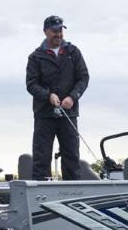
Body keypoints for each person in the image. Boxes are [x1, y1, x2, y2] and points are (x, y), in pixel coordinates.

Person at [26, 15, 89, 180]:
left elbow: (83, 78)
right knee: (41, 157)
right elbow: (31, 84)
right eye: (54, 31)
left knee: (71, 156)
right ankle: (40, 191)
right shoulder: (35, 56)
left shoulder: (73, 52)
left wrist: (73, 97)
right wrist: (48, 95)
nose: (58, 34)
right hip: (44, 114)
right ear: (45, 31)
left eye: (60, 30)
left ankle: (73, 191)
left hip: (69, 113)